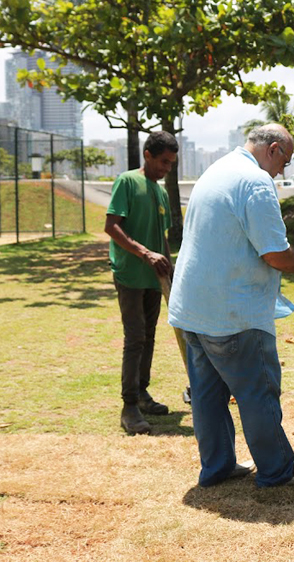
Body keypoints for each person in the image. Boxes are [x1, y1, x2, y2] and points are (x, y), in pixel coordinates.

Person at [168, 124, 294, 488]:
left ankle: (217, 467)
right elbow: (274, 253)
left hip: (193, 309)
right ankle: (277, 470)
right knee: (258, 392)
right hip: (231, 314)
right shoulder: (255, 182)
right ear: (272, 149)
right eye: (284, 161)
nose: (283, 171)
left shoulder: (217, 170)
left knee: (207, 395)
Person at [105, 131, 178, 435]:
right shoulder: (127, 181)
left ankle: (143, 393)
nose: (167, 169)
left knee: (148, 337)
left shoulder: (160, 192)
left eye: (171, 164)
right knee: (134, 338)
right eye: (163, 162)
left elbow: (162, 236)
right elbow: (111, 226)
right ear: (147, 155)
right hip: (131, 276)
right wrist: (145, 253)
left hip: (153, 278)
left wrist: (168, 265)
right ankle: (129, 406)